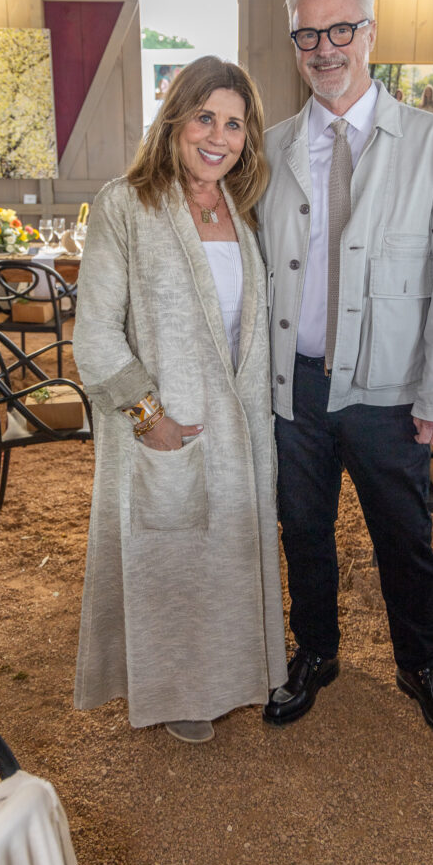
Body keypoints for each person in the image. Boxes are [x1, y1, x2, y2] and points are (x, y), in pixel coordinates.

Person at [257, 0, 433, 744]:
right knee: (302, 531)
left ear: (371, 35)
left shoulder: (430, 143)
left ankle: (419, 664)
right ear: (294, 44)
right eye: (307, 34)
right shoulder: (273, 148)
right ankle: (316, 652)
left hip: (391, 392)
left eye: (340, 29)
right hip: (297, 392)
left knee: (403, 537)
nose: (325, 49)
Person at [72, 56, 287, 745]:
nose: (218, 136)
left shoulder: (243, 210)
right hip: (166, 427)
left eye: (234, 122)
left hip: (238, 430)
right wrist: (146, 417)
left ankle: (229, 679)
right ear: (175, 119)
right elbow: (96, 333)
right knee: (172, 565)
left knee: (224, 560)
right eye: (205, 117)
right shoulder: (125, 205)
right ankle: (175, 689)